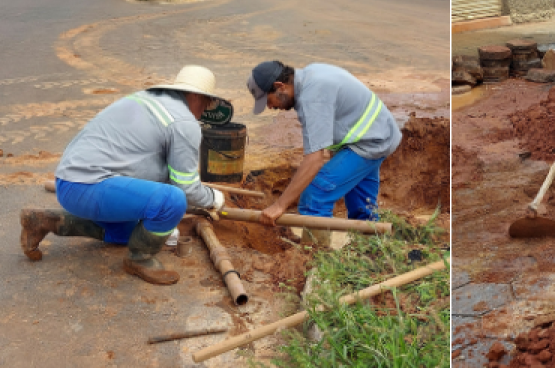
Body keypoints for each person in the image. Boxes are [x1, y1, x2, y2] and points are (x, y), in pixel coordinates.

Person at [20, 66, 227, 285]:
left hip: (70, 181)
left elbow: (149, 166)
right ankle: (140, 259)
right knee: (173, 200)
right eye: (206, 103)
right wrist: (215, 199)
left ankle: (46, 221)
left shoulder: (148, 99)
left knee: (135, 234)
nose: (205, 110)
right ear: (196, 96)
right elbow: (187, 189)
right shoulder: (184, 122)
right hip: (88, 187)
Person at [246, 61, 402, 240]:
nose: (270, 107)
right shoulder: (309, 76)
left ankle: (316, 261)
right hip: (376, 133)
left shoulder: (312, 97)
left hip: (370, 141)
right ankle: (371, 251)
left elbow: (314, 159)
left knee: (315, 197)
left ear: (279, 87)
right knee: (362, 208)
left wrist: (279, 206)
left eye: (268, 100)